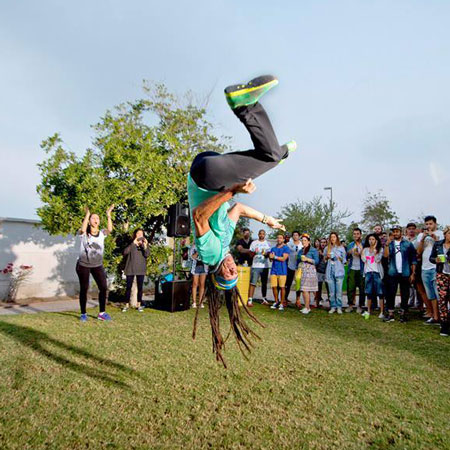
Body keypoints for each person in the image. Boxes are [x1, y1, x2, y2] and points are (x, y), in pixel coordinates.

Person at [188, 75, 292, 365]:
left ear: (218, 275)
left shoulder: (210, 254)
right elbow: (237, 211)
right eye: (236, 271)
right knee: (269, 156)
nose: (233, 267)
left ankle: (243, 104)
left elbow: (199, 215)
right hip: (208, 167)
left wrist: (233, 189)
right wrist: (267, 220)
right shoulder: (223, 247)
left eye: (228, 272)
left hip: (208, 178)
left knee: (269, 157)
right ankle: (277, 153)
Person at [76, 205, 114, 322]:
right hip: (83, 265)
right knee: (84, 288)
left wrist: (108, 215)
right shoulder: (84, 233)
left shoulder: (102, 233)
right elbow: (82, 229)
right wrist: (87, 214)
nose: (95, 220)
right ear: (89, 221)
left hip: (97, 265)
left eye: (97, 218)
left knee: (103, 287)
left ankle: (102, 313)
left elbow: (110, 230)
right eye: (93, 218)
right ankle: (83, 313)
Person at [383, 225, 417, 323]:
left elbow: (413, 260)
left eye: (397, 231)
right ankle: (391, 314)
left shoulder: (408, 244)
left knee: (405, 294)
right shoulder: (390, 243)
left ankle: (403, 314)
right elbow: (385, 256)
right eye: (394, 231)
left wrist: (413, 273)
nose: (395, 233)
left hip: (405, 272)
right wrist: (386, 245)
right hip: (393, 272)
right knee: (391, 293)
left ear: (401, 232)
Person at [416, 215, 444, 325]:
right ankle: (434, 316)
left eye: (430, 224)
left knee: (439, 293)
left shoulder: (441, 234)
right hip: (424, 267)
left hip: (436, 267)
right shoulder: (421, 235)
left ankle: (443, 316)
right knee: (430, 294)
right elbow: (418, 252)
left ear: (435, 224)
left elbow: (443, 250)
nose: (428, 226)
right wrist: (423, 239)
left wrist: (436, 239)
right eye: (426, 224)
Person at [122, 228, 149, 312]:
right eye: (138, 233)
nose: (140, 235)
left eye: (141, 234)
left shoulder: (144, 245)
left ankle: (139, 304)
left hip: (140, 268)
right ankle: (126, 305)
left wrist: (145, 246)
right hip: (130, 268)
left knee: (140, 287)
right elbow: (125, 252)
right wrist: (133, 243)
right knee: (128, 287)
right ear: (135, 235)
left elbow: (147, 254)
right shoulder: (131, 244)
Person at [430, 225, 450, 337]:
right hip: (442, 274)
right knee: (442, 299)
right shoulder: (438, 244)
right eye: (449, 233)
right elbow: (431, 258)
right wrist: (435, 260)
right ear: (445, 234)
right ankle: (444, 324)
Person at [361, 234, 384, 319]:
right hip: (368, 272)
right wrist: (365, 252)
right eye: (370, 239)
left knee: (380, 292)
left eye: (373, 239)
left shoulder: (380, 249)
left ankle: (382, 311)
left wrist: (374, 251)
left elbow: (378, 259)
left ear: (376, 240)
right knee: (369, 292)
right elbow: (364, 259)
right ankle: (368, 311)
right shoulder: (365, 250)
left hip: (377, 272)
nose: (371, 241)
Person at [324, 232, 347, 314]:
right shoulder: (327, 248)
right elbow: (324, 259)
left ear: (337, 238)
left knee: (339, 291)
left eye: (334, 237)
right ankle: (333, 306)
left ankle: (339, 307)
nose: (333, 238)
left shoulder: (341, 248)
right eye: (331, 237)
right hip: (330, 271)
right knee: (331, 292)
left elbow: (344, 260)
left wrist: (338, 257)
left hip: (339, 271)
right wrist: (327, 257)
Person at [248, 229, 271, 306]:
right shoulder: (254, 243)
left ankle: (264, 299)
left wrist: (266, 254)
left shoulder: (267, 243)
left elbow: (269, 255)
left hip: (265, 266)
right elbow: (250, 254)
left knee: (264, 283)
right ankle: (250, 300)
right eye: (260, 234)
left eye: (263, 234)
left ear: (265, 235)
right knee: (253, 283)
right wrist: (254, 252)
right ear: (258, 234)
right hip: (255, 266)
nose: (261, 235)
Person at [297, 234, 319, 314]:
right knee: (304, 290)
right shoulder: (300, 250)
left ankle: (309, 306)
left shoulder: (313, 250)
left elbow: (316, 261)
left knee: (307, 290)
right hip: (302, 270)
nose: (303, 242)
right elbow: (298, 260)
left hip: (310, 271)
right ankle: (307, 306)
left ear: (309, 241)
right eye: (302, 240)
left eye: (305, 240)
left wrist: (307, 259)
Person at [346, 228, 365, 313]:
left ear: (360, 235)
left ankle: (360, 306)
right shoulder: (350, 244)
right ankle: (350, 305)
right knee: (350, 288)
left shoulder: (364, 244)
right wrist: (349, 253)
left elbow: (367, 257)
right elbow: (346, 257)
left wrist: (360, 254)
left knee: (362, 288)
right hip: (352, 268)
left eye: (357, 234)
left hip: (361, 269)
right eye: (354, 234)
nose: (356, 235)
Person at [269, 234, 290, 311]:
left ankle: (282, 302)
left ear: (283, 239)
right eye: (278, 238)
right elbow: (271, 259)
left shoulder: (286, 248)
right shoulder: (273, 248)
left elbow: (284, 258)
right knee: (274, 286)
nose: (279, 239)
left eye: (280, 238)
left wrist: (274, 257)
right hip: (274, 270)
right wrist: (270, 257)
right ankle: (276, 301)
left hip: (282, 270)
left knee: (282, 287)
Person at [189, 244, 208, 309]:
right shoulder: (194, 246)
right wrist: (197, 252)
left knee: (202, 284)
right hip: (195, 267)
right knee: (195, 284)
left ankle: (200, 302)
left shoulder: (206, 246)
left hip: (204, 267)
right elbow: (191, 257)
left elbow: (208, 257)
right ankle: (194, 302)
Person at [285, 231, 303, 302]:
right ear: (292, 236)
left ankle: (297, 300)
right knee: (288, 283)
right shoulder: (288, 244)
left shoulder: (302, 245)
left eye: (297, 235)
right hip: (290, 266)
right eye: (294, 235)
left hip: (299, 267)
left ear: (299, 236)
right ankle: (285, 298)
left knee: (298, 283)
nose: (295, 236)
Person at [315, 237, 329, 306]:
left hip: (327, 271)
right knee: (318, 287)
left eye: (324, 242)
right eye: (322, 242)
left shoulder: (328, 250)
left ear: (326, 243)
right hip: (319, 271)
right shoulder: (317, 251)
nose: (323, 244)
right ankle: (318, 301)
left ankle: (330, 300)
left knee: (328, 286)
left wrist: (323, 254)